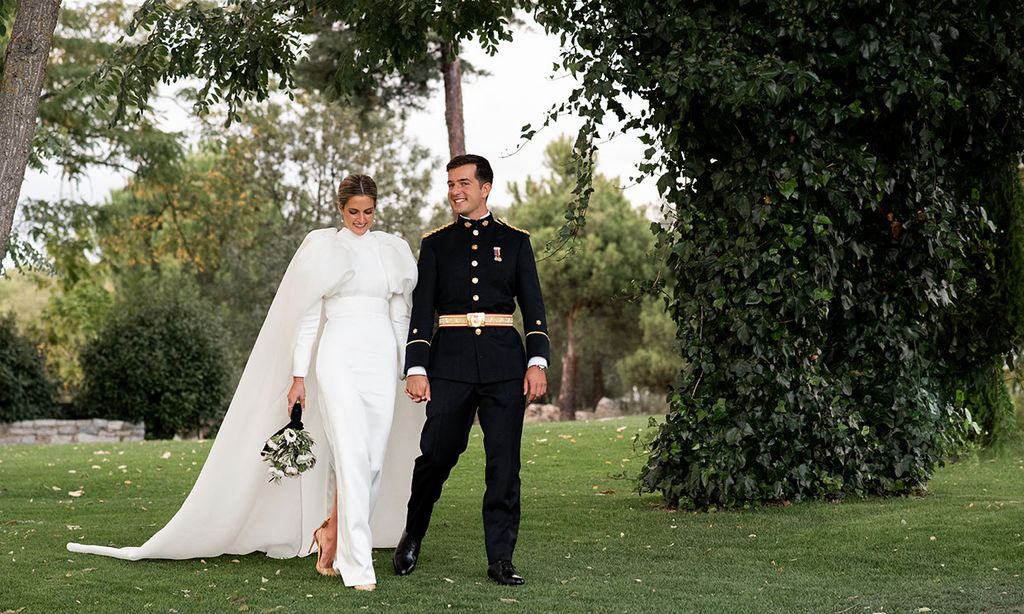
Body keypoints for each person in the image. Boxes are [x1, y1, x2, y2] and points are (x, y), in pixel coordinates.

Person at [68, 175, 423, 592]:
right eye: (353, 212)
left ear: (376, 208)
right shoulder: (324, 248)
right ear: (340, 209)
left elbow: (402, 316)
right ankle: (357, 565)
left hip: (380, 357)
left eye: (368, 211)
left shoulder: (392, 250)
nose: (361, 219)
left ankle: (332, 532)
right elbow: (308, 317)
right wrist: (297, 376)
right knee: (348, 455)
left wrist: (409, 367)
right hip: (338, 356)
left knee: (373, 460)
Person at [393, 154, 551, 586]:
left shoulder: (516, 242)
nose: (455, 191)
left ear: (485, 188)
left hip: (504, 366)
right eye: (450, 184)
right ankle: (413, 533)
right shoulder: (437, 244)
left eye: (463, 183)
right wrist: (417, 367)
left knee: (504, 464)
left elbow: (533, 310)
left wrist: (537, 361)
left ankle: (501, 557)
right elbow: (422, 312)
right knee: (436, 456)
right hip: (450, 364)